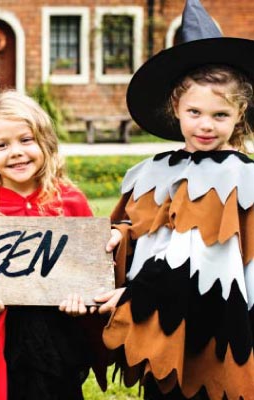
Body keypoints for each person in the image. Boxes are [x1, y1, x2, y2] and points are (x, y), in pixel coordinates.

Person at [96, 0, 254, 398]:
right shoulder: (151, 172)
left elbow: (194, 254)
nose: (205, 125)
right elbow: (150, 231)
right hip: (162, 328)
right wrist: (120, 237)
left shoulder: (242, 176)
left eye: (220, 115)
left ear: (240, 113)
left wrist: (135, 296)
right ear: (175, 108)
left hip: (217, 326)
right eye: (195, 111)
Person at [0, 90, 100, 399]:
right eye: (2, 145)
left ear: (44, 143)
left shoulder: (69, 202)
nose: (15, 152)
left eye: (25, 140)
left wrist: (81, 303)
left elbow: (92, 271)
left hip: (55, 333)